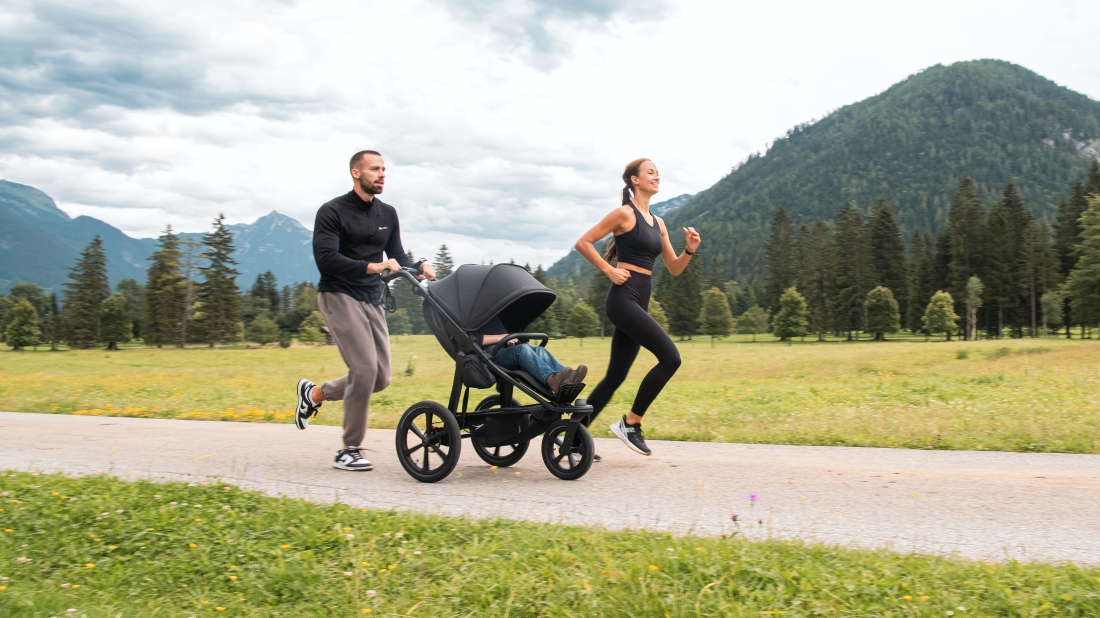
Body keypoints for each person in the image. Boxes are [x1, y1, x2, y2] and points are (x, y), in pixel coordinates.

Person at [293, 149, 436, 471]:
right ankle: (349, 448)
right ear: (356, 173)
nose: (382, 174)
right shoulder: (332, 212)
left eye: (384, 169)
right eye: (374, 169)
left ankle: (315, 394)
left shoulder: (387, 213)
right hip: (339, 295)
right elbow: (326, 259)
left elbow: (398, 254)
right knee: (364, 370)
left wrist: (419, 265)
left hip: (372, 298)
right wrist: (374, 266)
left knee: (381, 377)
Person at [574, 158, 700, 456]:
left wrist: (690, 250)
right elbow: (584, 243)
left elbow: (674, 267)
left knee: (616, 376)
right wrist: (609, 270)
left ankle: (574, 437)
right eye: (651, 172)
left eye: (658, 173)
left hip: (638, 301)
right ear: (634, 180)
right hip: (622, 299)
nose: (657, 176)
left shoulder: (659, 223)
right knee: (670, 358)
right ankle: (631, 424)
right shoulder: (624, 214)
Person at [475, 316, 588, 393]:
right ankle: (553, 381)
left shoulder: (495, 312)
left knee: (540, 350)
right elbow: (474, 339)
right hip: (490, 355)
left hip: (508, 348)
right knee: (522, 350)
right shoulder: (474, 316)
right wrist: (500, 337)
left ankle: (568, 378)